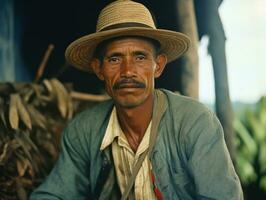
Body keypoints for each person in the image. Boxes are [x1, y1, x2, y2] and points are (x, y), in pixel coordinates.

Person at [30, 0, 243, 199]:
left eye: (140, 57)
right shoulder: (83, 132)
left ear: (158, 66)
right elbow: (53, 194)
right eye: (114, 59)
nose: (128, 71)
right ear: (99, 69)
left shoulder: (194, 122)